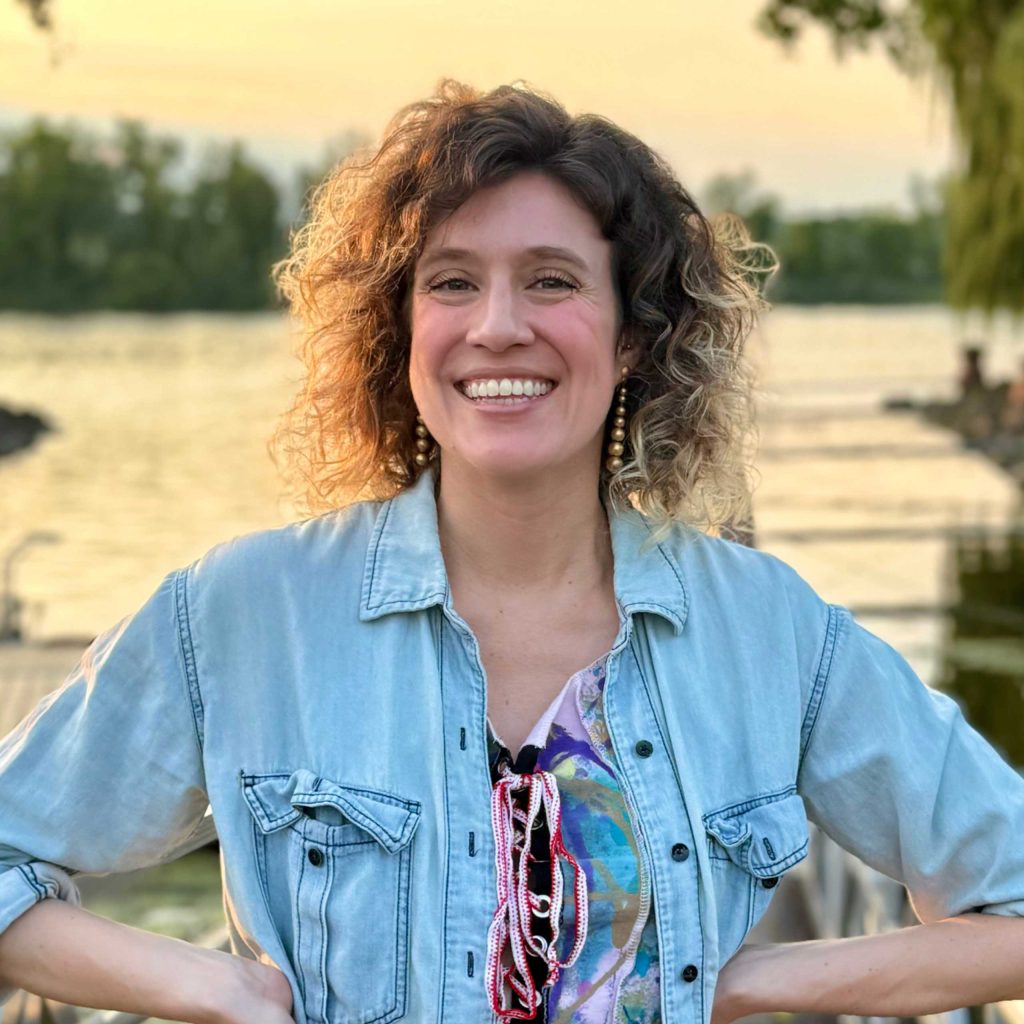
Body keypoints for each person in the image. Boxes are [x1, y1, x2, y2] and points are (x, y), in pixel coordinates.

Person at [1, 79, 1024, 1024]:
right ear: (398, 333)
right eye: (451, 282)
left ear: (632, 335)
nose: (497, 326)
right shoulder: (241, 611)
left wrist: (754, 979)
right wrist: (215, 985)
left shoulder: (768, 628)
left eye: (550, 281)